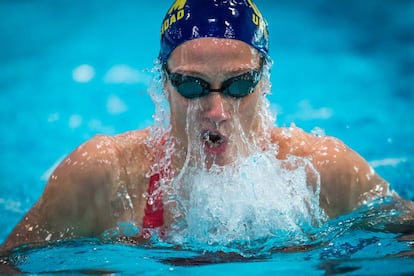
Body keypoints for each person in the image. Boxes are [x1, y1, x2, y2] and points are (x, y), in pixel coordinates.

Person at [1, 0, 413, 252]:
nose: (216, 111)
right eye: (191, 85)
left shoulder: (324, 171)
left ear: (264, 81)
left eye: (239, 84)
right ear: (163, 84)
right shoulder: (105, 177)